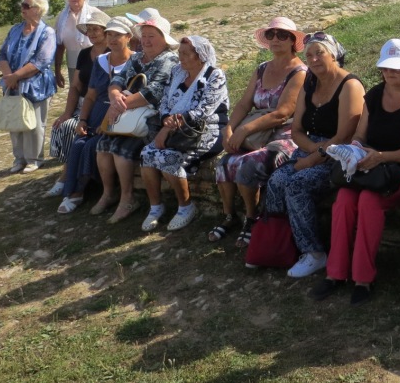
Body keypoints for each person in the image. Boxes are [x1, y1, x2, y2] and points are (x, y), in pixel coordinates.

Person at [311, 39, 400, 305]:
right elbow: (360, 135)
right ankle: (335, 273)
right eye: (385, 68)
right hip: (370, 168)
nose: (389, 73)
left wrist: (381, 157)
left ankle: (363, 278)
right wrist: (354, 150)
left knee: (369, 202)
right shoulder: (375, 95)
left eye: (397, 68)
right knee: (344, 200)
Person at [262, 32, 364, 278]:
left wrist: (313, 158)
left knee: (297, 184)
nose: (314, 59)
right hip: (308, 149)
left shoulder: (349, 85)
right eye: (309, 55)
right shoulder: (309, 83)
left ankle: (314, 253)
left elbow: (344, 135)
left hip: (337, 156)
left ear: (333, 55)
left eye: (320, 53)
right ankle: (282, 244)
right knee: (276, 180)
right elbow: (297, 129)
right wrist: (309, 151)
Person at [211, 18, 307, 245]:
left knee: (248, 165)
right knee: (224, 164)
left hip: (284, 135)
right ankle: (229, 215)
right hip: (256, 134)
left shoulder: (299, 72)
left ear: (293, 40)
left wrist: (244, 130)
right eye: (271, 34)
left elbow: (282, 113)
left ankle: (252, 218)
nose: (275, 39)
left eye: (282, 35)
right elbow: (245, 104)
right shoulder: (262, 68)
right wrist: (229, 129)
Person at [93, 12, 179, 223]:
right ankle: (108, 193)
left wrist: (119, 106)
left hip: (152, 119)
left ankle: (127, 198)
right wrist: (115, 97)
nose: (146, 41)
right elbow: (118, 80)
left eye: (152, 36)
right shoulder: (136, 58)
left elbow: (154, 92)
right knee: (103, 146)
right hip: (128, 114)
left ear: (164, 39)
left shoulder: (169, 60)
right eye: (144, 36)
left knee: (121, 149)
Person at [140, 37, 229, 232]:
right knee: (147, 154)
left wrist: (169, 127)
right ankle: (156, 207)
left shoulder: (214, 75)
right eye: (180, 52)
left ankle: (185, 207)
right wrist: (166, 119)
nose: (180, 57)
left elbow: (204, 110)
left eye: (185, 54)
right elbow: (165, 101)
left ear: (200, 56)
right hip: (175, 129)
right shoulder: (177, 72)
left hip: (205, 130)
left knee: (168, 157)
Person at [53, 17, 134, 213]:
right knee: (79, 142)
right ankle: (70, 189)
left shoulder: (136, 61)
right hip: (96, 112)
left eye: (117, 35)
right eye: (109, 34)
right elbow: (90, 96)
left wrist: (107, 121)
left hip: (119, 115)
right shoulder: (100, 61)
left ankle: (78, 192)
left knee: (91, 145)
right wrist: (82, 119)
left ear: (128, 37)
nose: (112, 39)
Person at [0, 0, 57, 174]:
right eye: (22, 5)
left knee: (35, 123)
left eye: (26, 6)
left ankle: (34, 159)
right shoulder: (15, 30)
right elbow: (2, 54)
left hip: (36, 85)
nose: (22, 9)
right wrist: (9, 76)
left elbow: (41, 61)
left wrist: (16, 76)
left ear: (38, 9)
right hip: (12, 84)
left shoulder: (47, 33)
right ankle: (19, 158)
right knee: (15, 120)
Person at [47, 10, 110, 166]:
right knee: (61, 125)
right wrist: (67, 112)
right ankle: (69, 164)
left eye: (96, 29)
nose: (91, 33)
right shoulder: (84, 54)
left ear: (105, 31)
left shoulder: (112, 54)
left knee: (71, 127)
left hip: (102, 104)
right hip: (82, 103)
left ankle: (72, 168)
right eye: (89, 29)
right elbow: (75, 86)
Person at [52, 0, 92, 89]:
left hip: (92, 62)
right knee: (75, 92)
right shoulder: (62, 17)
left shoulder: (93, 14)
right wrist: (57, 71)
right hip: (72, 64)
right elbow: (59, 45)